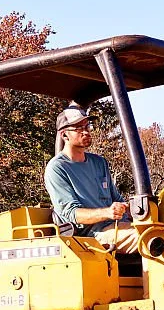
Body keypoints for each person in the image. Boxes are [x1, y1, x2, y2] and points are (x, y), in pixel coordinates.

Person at [44, 106, 140, 255]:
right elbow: (71, 214)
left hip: (116, 226)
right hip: (91, 237)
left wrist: (134, 209)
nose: (86, 131)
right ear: (64, 135)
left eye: (87, 126)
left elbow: (117, 200)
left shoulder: (99, 162)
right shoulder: (57, 168)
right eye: (78, 128)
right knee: (150, 238)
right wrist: (108, 212)